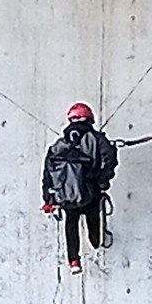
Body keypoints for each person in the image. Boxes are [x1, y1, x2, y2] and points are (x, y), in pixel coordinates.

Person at [41, 102, 118, 275]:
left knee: (71, 224)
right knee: (93, 218)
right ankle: (95, 241)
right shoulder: (97, 139)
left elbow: (48, 171)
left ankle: (74, 260)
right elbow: (110, 160)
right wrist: (102, 181)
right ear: (90, 119)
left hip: (67, 196)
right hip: (91, 192)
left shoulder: (60, 144)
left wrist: (48, 198)